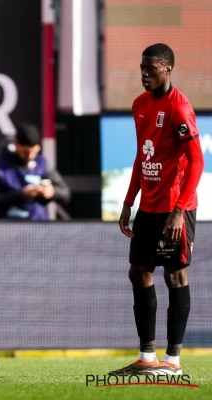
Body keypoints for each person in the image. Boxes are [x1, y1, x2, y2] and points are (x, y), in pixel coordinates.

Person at [109, 44, 204, 376]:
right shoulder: (139, 105)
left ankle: (173, 361)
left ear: (167, 69)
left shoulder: (179, 108)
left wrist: (179, 210)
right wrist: (128, 201)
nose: (143, 73)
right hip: (148, 207)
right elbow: (142, 156)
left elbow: (197, 161)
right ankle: (146, 357)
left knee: (175, 275)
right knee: (139, 272)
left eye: (150, 68)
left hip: (174, 208)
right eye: (141, 67)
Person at [0, 124, 70, 220]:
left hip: (39, 224)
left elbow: (65, 193)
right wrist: (22, 195)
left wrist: (52, 192)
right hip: (9, 224)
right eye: (26, 152)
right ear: (16, 144)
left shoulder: (42, 163)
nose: (30, 156)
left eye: (34, 152)